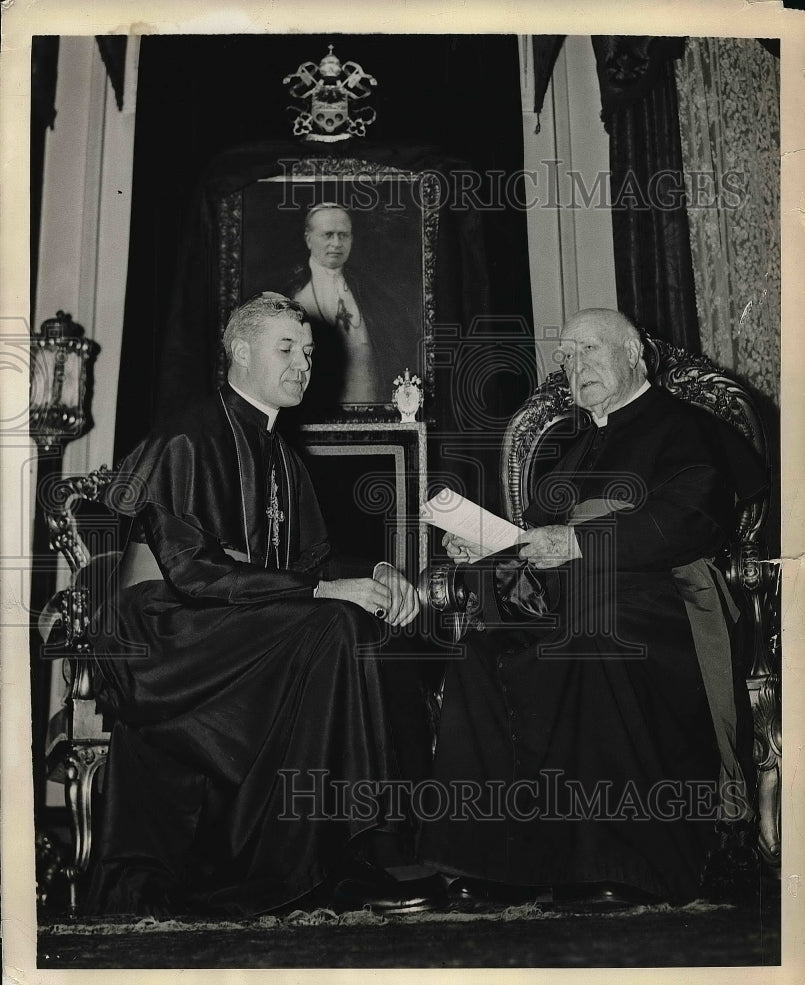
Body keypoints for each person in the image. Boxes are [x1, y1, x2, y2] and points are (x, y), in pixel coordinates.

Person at [87, 292, 443, 917]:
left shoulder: (280, 451)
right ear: (241, 352)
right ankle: (335, 859)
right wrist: (325, 591)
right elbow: (192, 573)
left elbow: (306, 564)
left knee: (361, 621)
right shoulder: (187, 436)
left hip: (231, 620)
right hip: (165, 633)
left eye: (307, 352)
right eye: (287, 349)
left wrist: (380, 575)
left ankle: (350, 848)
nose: (303, 364)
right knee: (331, 622)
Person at [418, 308, 767, 906]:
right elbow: (538, 550)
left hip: (664, 598)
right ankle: (497, 862)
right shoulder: (571, 448)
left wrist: (579, 542)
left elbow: (689, 520)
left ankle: (623, 862)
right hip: (573, 599)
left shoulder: (687, 428)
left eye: (589, 350)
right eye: (566, 357)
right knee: (479, 651)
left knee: (598, 639)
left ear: (635, 354)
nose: (575, 367)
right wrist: (488, 549)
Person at [286, 203, 416, 413]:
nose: (336, 243)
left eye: (343, 235)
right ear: (308, 238)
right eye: (328, 235)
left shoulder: (369, 291)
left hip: (370, 409)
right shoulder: (293, 293)